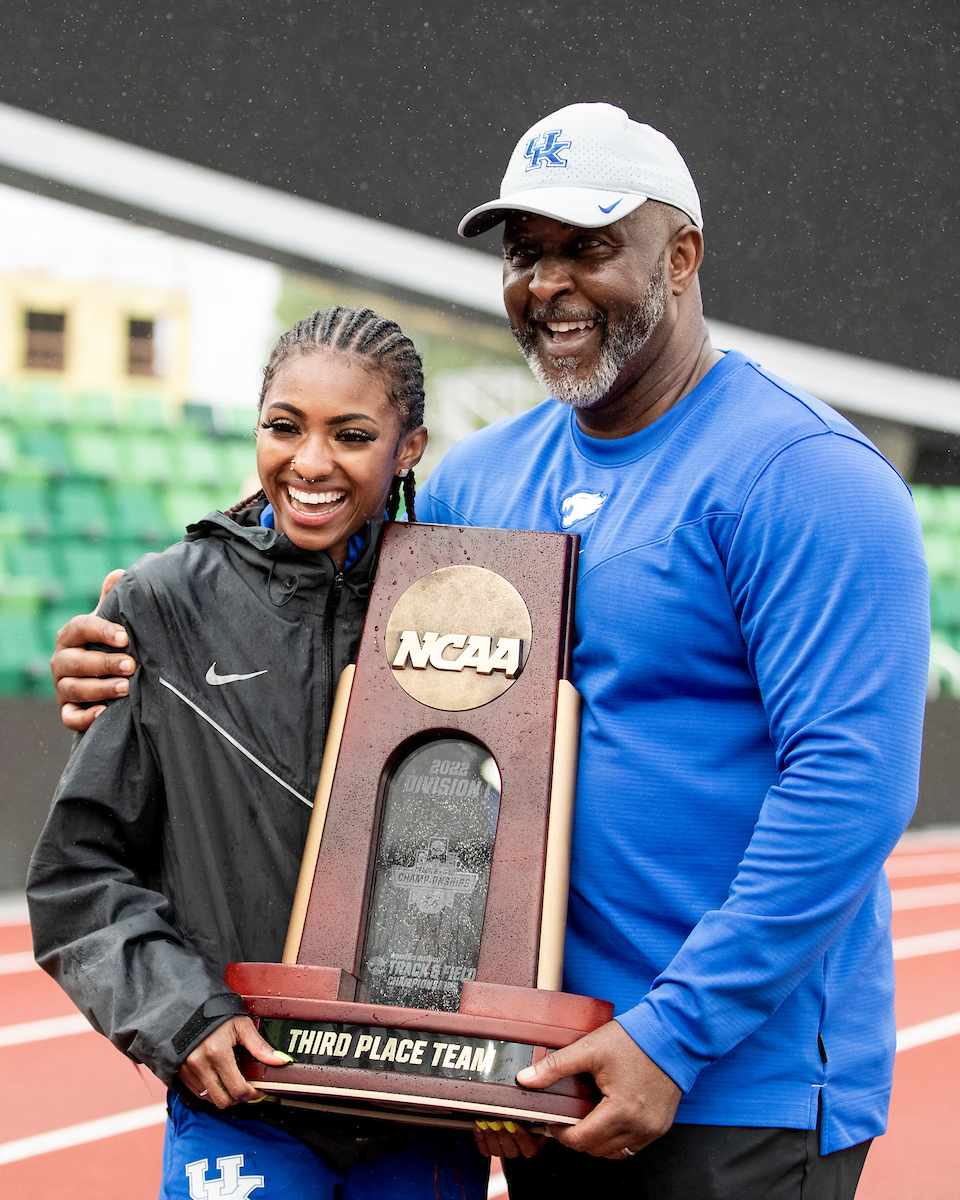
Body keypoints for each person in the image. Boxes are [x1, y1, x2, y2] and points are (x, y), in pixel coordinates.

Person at [51, 104, 930, 1200]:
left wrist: (672, 1037)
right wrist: (144, 624)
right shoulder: (478, 486)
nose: (546, 283)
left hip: (728, 1089)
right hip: (530, 1076)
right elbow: (297, 568)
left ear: (684, 254)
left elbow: (852, 783)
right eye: (524, 254)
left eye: (588, 246)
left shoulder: (808, 476)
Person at [29, 306, 489, 1200]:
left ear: (410, 447)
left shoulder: (466, 604)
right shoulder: (161, 603)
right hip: (245, 1098)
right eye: (284, 426)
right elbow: (80, 873)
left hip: (420, 1104)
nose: (310, 462)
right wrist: (181, 1015)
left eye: (352, 434)